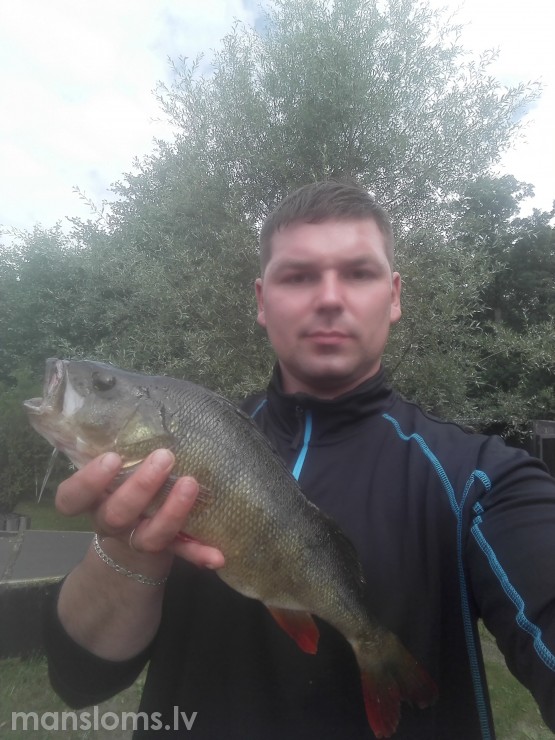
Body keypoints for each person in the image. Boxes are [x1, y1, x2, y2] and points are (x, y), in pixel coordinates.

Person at [44, 180, 555, 739]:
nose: (329, 298)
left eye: (358, 273)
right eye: (298, 276)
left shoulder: (482, 479)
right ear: (263, 301)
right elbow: (79, 680)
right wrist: (126, 549)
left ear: (393, 296)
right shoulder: (181, 454)